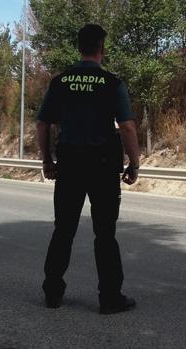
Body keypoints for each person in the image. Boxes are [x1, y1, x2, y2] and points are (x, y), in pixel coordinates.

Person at [36, 24, 141, 315]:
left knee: (64, 230)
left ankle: (53, 293)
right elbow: (128, 127)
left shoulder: (60, 82)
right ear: (102, 48)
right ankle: (109, 298)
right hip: (103, 166)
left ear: (79, 47)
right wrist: (134, 163)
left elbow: (43, 123)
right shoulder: (112, 83)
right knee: (105, 234)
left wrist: (47, 161)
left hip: (69, 164)